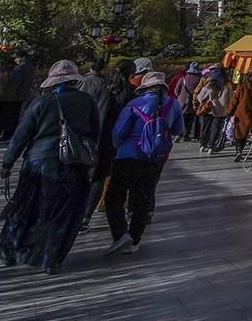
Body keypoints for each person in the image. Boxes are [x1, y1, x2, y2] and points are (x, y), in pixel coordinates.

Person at [0, 60, 99, 274]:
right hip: (74, 165)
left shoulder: (42, 102)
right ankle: (51, 258)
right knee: (63, 213)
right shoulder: (87, 102)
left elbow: (22, 135)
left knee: (25, 208)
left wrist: (8, 163)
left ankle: (9, 250)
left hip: (39, 163)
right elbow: (93, 133)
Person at [105, 71, 185, 254]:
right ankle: (135, 239)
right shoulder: (173, 104)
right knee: (143, 198)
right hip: (155, 158)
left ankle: (120, 233)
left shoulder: (134, 104)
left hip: (128, 156)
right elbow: (178, 129)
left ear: (145, 88)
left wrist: (121, 147)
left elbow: (119, 132)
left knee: (114, 197)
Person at [84, 59, 136, 230]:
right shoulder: (131, 93)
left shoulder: (106, 86)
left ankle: (82, 212)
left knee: (88, 175)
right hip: (114, 140)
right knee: (101, 177)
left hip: (92, 135)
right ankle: (89, 214)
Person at [228, 70, 252, 162]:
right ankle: (240, 150)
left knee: (238, 133)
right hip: (251, 113)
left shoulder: (242, 86)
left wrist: (230, 112)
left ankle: (238, 151)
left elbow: (235, 100)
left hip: (240, 112)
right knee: (245, 134)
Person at [195, 66, 233, 154]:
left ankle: (203, 145)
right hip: (221, 111)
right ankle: (211, 147)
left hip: (208, 110)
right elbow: (230, 99)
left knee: (205, 128)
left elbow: (200, 97)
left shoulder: (210, 84)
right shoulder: (228, 85)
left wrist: (206, 102)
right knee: (215, 129)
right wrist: (228, 110)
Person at [0, 56, 28, 144]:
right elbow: (19, 85)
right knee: (9, 117)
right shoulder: (16, 74)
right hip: (12, 98)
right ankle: (6, 134)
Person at [174, 63, 203, 143]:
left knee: (181, 119)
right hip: (193, 102)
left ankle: (179, 135)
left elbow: (176, 90)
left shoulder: (183, 78)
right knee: (190, 120)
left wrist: (179, 96)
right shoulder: (199, 78)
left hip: (182, 102)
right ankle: (186, 135)